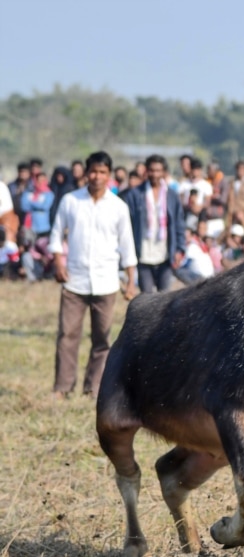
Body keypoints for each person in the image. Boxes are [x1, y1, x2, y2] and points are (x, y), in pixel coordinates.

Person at [47, 150, 138, 398]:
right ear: (86, 173)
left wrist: (131, 281)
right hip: (74, 280)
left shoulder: (118, 207)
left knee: (103, 339)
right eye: (93, 171)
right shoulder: (70, 201)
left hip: (106, 281)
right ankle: (63, 387)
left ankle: (93, 387)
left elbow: (127, 246)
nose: (97, 176)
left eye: (102, 172)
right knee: (67, 334)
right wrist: (59, 264)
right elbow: (56, 236)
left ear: (109, 176)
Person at [121, 154, 186, 293]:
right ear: (146, 171)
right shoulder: (135, 195)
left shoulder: (172, 195)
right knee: (147, 296)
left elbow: (179, 223)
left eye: (158, 170)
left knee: (165, 296)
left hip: (165, 253)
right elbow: (127, 224)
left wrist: (180, 248)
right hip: (143, 252)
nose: (155, 174)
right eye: (152, 170)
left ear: (164, 172)